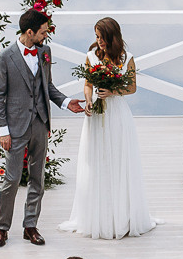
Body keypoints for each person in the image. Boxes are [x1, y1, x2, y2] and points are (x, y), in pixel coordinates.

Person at [0, 8, 86, 248]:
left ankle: (30, 226)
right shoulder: (4, 57)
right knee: (11, 180)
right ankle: (2, 228)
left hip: (40, 124)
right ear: (29, 32)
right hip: (14, 128)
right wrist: (2, 129)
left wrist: (66, 102)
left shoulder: (44, 52)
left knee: (37, 178)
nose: (46, 36)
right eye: (43, 32)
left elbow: (48, 87)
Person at [65, 15, 157, 241]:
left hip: (117, 115)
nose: (99, 41)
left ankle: (122, 217)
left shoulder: (127, 58)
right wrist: (88, 100)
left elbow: (132, 87)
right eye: (96, 37)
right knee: (97, 162)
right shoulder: (91, 56)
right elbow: (88, 84)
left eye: (102, 37)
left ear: (112, 36)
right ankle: (99, 217)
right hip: (96, 115)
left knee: (118, 161)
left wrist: (113, 92)